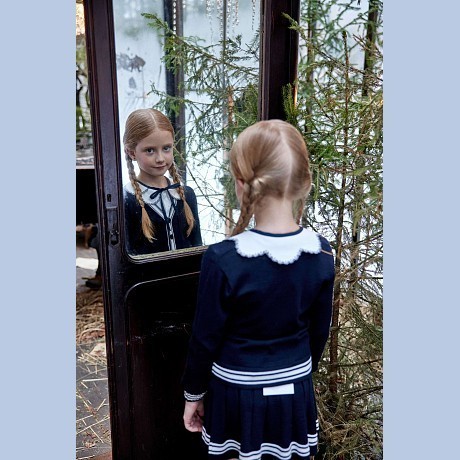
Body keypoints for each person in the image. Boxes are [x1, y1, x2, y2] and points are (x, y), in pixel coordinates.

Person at [181, 120, 335, 459]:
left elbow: (205, 339)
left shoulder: (223, 258)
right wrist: (296, 374)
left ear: (241, 184)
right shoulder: (322, 252)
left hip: (236, 393)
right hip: (295, 388)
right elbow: (318, 333)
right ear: (304, 182)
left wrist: (193, 395)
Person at [123, 108, 202, 255]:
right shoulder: (127, 200)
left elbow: (197, 246)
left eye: (166, 148)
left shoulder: (186, 195)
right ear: (131, 152)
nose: (160, 159)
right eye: (150, 150)